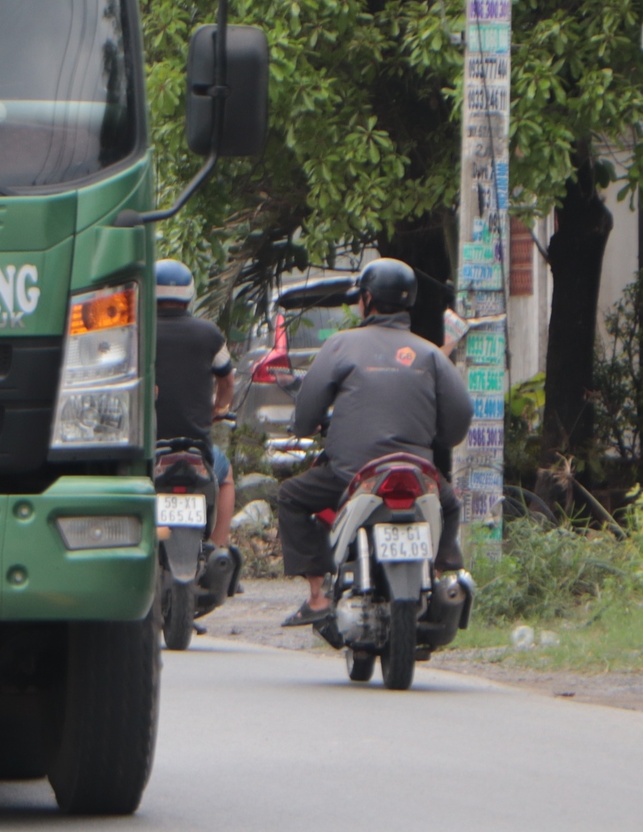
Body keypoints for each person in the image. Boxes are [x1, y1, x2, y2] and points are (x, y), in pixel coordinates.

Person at [275, 258, 473, 630]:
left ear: (366, 299)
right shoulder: (430, 354)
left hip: (351, 476)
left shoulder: (340, 346)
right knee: (449, 506)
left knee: (291, 496)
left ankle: (317, 596)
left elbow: (306, 412)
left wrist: (306, 425)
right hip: (419, 476)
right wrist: (438, 440)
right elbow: (460, 417)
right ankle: (443, 569)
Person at [151, 259, 237, 547]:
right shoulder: (209, 334)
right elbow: (227, 382)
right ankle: (219, 547)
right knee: (225, 476)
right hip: (197, 448)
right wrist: (219, 410)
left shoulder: (139, 333)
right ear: (189, 295)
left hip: (148, 449)